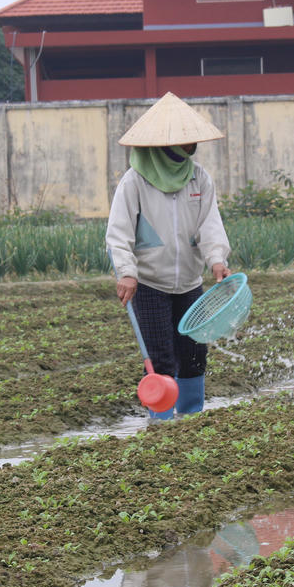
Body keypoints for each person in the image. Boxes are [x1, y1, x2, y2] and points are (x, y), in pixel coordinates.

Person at [106, 92, 233, 420]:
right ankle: (161, 424)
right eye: (182, 148)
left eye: (191, 147)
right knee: (161, 357)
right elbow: (118, 234)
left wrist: (217, 260)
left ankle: (190, 418)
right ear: (163, 149)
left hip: (189, 283)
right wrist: (127, 272)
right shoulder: (134, 183)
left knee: (193, 354)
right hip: (149, 284)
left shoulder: (199, 178)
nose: (188, 154)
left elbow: (210, 225)